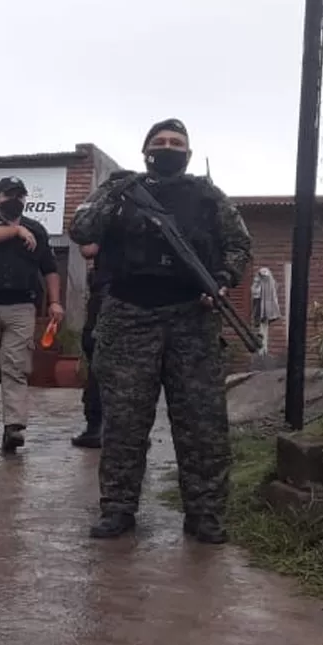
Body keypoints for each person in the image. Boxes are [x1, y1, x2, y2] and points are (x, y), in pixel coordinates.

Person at [68, 119, 251, 543]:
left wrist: (223, 277)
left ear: (187, 153)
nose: (168, 148)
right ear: (146, 149)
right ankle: (117, 510)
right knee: (124, 425)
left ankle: (205, 515)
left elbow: (239, 245)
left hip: (192, 318)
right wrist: (113, 190)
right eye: (160, 142)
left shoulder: (209, 195)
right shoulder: (120, 192)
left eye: (177, 143)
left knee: (202, 423)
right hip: (129, 316)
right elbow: (82, 230)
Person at [0, 175, 63, 452]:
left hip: (22, 307)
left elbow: (50, 270)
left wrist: (55, 302)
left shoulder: (38, 230)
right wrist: (16, 232)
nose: (15, 200)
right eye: (9, 194)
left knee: (15, 366)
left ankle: (14, 427)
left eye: (20, 195)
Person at [70, 170, 136, 450]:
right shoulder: (121, 212)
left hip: (116, 294)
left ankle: (100, 426)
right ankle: (105, 427)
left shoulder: (112, 211)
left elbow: (88, 249)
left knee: (102, 358)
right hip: (121, 294)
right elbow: (87, 246)